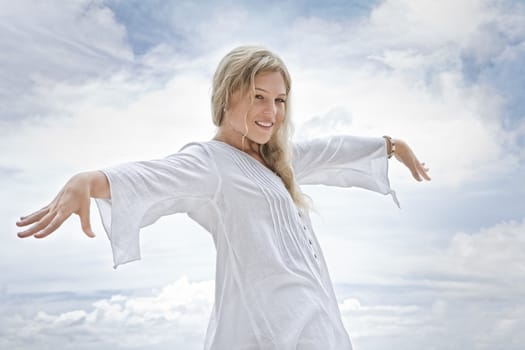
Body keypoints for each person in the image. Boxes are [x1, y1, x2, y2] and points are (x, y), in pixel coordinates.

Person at [16, 45, 431, 350]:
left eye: (280, 100)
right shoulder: (211, 162)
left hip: (318, 325)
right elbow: (155, 175)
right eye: (258, 97)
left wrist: (390, 145)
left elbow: (332, 148)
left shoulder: (279, 160)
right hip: (266, 332)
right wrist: (90, 179)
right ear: (228, 96)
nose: (272, 112)